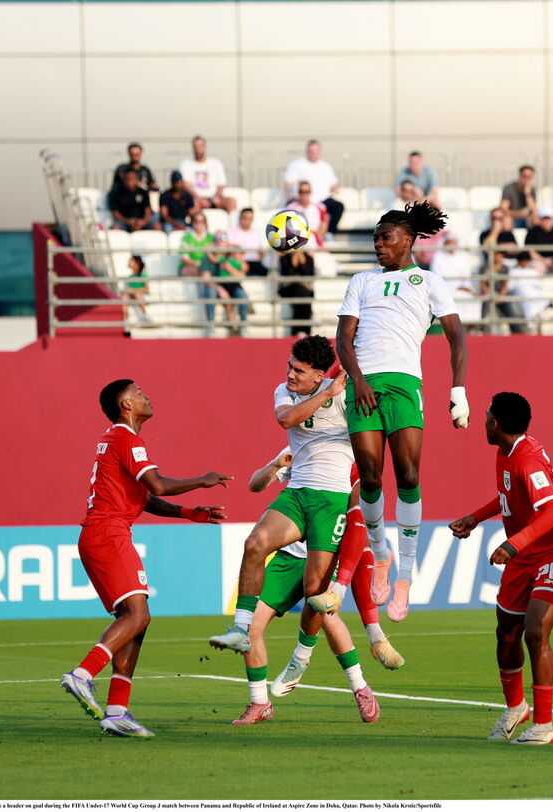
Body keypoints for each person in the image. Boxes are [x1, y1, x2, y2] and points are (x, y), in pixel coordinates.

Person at [61, 379, 229, 737]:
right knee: (138, 614)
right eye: (138, 394)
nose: (146, 396)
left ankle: (117, 711)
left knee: (136, 620)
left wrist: (190, 513)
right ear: (126, 405)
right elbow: (158, 485)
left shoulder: (115, 440)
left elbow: (147, 498)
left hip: (101, 534)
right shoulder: (126, 439)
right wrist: (203, 479)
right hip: (108, 534)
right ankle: (83, 674)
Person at [336, 202, 469, 621]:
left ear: (408, 240)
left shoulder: (428, 281)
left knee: (409, 475)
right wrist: (356, 378)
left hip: (405, 385)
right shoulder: (361, 281)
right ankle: (381, 556)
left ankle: (405, 579)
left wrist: (459, 389)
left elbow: (457, 337)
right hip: (364, 384)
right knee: (371, 477)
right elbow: (343, 337)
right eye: (375, 238)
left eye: (385, 237)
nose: (378, 244)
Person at [228, 445, 402, 726]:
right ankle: (260, 702)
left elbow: (360, 513)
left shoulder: (350, 453)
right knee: (251, 626)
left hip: (323, 553)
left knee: (328, 619)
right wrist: (274, 466)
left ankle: (360, 688)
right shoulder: (301, 444)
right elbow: (254, 485)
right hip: (288, 557)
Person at [447, 392, 553, 746]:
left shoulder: (527, 459)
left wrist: (513, 543)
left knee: (535, 631)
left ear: (495, 424)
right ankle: (515, 707)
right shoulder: (506, 453)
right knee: (506, 631)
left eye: (487, 414)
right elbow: (508, 496)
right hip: (524, 556)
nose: (485, 420)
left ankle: (543, 724)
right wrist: (476, 517)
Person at [284, 140, 343, 236]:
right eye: (311, 151)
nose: (313, 153)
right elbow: (288, 183)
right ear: (307, 151)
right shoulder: (296, 164)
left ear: (320, 151)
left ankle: (329, 234)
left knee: (338, 206)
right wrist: (289, 194)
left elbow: (334, 183)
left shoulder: (326, 166)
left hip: (323, 201)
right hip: (302, 200)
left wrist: (335, 188)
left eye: (315, 151)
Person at [178, 136, 235, 212]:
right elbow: (186, 185)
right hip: (196, 199)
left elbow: (221, 184)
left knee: (231, 202)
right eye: (196, 146)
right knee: (192, 203)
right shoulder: (186, 164)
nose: (198, 148)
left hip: (214, 198)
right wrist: (199, 199)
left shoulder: (216, 163)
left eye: (200, 146)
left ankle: (233, 223)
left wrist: (216, 197)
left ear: (205, 147)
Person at [278, 250, 315, 336]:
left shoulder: (309, 259)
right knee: (300, 292)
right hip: (289, 289)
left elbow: (308, 275)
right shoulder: (284, 258)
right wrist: (294, 262)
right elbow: (287, 275)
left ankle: (296, 331)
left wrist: (302, 263)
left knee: (301, 293)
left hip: (304, 291)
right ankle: (305, 330)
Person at [225, 208, 269, 277]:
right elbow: (229, 249)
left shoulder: (256, 233)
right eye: (245, 217)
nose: (247, 221)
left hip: (254, 263)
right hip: (238, 263)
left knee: (268, 272)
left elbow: (261, 252)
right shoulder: (231, 232)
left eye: (250, 218)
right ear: (240, 218)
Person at [121, 256, 148, 321]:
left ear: (137, 264)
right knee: (124, 297)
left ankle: (145, 314)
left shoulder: (143, 276)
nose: (129, 263)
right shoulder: (130, 277)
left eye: (131, 261)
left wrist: (135, 290)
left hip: (140, 294)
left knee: (137, 295)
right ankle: (125, 318)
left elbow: (146, 289)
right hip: (132, 295)